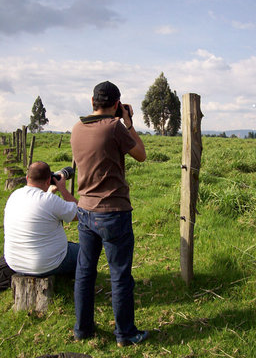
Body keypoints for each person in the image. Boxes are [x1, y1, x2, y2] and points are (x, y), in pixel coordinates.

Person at [71, 80, 148, 347]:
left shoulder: (77, 128)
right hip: (113, 211)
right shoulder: (115, 127)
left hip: (85, 210)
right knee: (120, 274)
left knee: (85, 271)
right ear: (116, 104)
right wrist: (128, 122)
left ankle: (82, 329)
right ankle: (125, 334)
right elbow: (141, 154)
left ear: (92, 102)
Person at [4, 161, 79, 277]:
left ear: (27, 177)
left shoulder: (14, 195)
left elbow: (39, 204)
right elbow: (80, 214)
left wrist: (50, 192)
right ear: (49, 180)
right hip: (45, 265)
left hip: (14, 263)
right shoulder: (49, 200)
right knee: (85, 250)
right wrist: (62, 189)